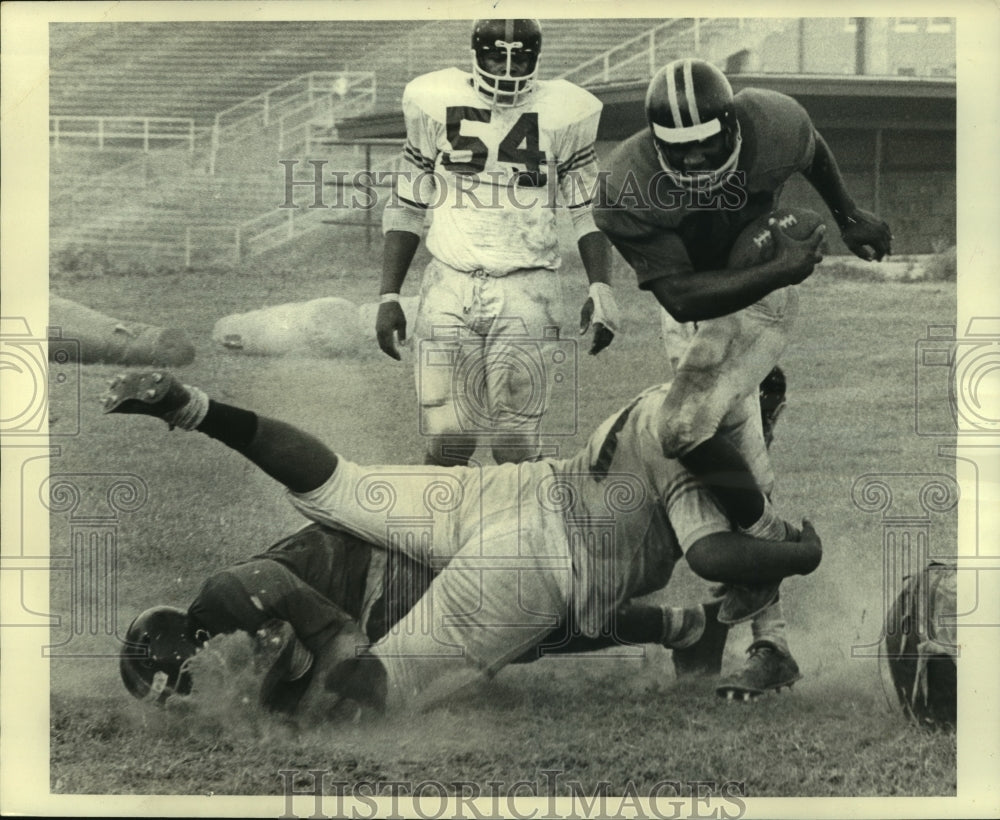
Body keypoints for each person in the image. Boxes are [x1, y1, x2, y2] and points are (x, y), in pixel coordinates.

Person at [104, 369, 822, 716]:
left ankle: (685, 628)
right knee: (370, 683)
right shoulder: (693, 438)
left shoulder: (233, 598)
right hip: (530, 528)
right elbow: (714, 553)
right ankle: (685, 628)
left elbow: (333, 652)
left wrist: (280, 699)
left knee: (356, 693)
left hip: (504, 530)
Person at [593, 57, 893, 695]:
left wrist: (846, 214)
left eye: (708, 145)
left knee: (682, 429)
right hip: (699, 308)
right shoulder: (626, 181)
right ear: (654, 144)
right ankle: (769, 633)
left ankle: (771, 563)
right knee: (735, 462)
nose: (699, 164)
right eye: (682, 153)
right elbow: (680, 296)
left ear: (731, 124)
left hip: (760, 303)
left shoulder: (772, 121)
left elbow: (811, 149)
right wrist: (781, 270)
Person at [119, 521, 736, 720]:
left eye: (191, 681)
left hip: (388, 576)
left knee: (520, 619)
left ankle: (688, 599)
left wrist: (332, 709)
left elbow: (339, 638)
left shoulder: (229, 593)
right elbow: (300, 668)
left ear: (192, 646)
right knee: (530, 633)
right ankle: (685, 627)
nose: (209, 693)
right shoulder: (237, 634)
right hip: (378, 595)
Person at [375, 18, 620, 467]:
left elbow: (587, 210)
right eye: (495, 56)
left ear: (536, 59)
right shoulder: (435, 102)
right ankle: (441, 533)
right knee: (449, 436)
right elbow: (408, 205)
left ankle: (521, 534)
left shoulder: (565, 112)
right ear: (475, 54)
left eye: (519, 58)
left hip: (527, 286)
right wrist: (389, 294)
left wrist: (600, 287)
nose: (507, 69)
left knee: (515, 441)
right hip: (450, 279)